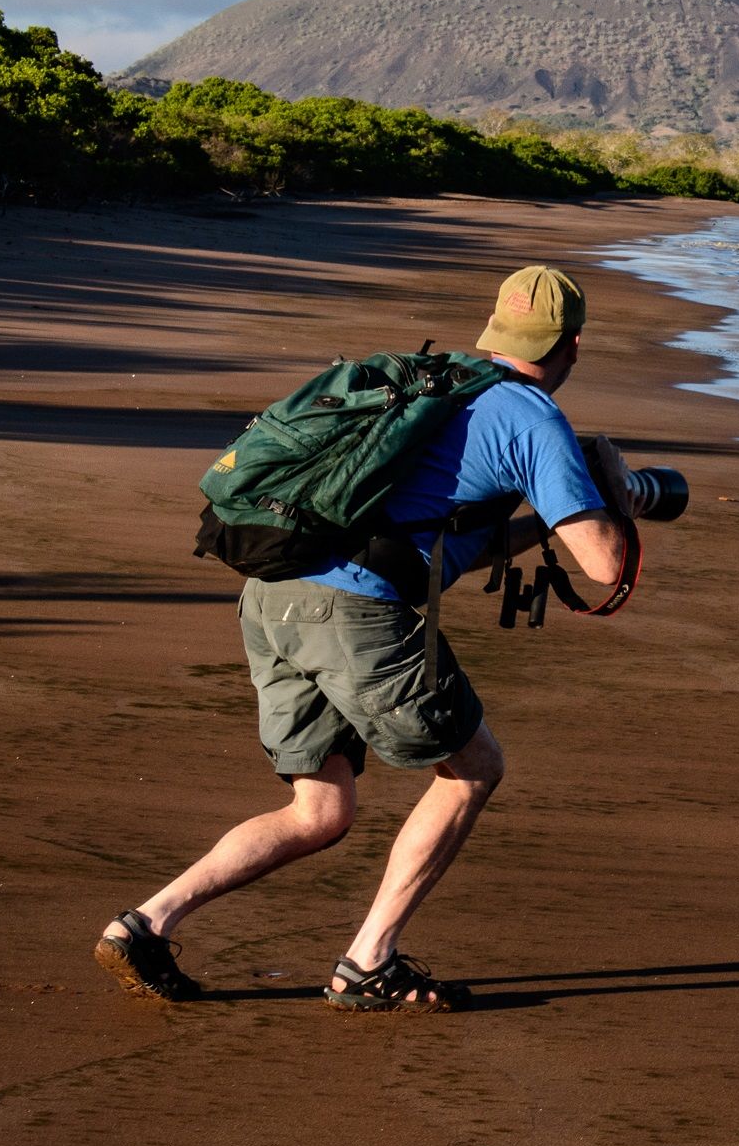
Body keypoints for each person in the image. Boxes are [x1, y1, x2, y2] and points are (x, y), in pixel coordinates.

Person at [94, 265, 633, 1012]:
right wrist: (615, 498)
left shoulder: (438, 385)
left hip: (273, 592)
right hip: (351, 614)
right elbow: (604, 565)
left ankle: (144, 925)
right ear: (573, 345)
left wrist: (540, 524)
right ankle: (367, 962)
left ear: (495, 329)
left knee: (319, 812)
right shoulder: (531, 417)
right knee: (473, 768)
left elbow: (450, 544)